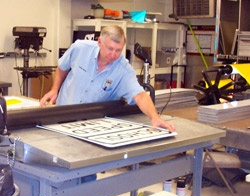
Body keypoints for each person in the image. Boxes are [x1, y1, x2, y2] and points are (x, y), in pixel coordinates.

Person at [40, 25, 175, 133]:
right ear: (99, 41)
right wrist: (54, 89)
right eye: (110, 48)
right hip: (62, 116)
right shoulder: (80, 48)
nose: (113, 54)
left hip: (90, 127)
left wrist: (155, 117)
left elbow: (140, 95)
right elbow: (63, 66)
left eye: (118, 50)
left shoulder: (123, 69)